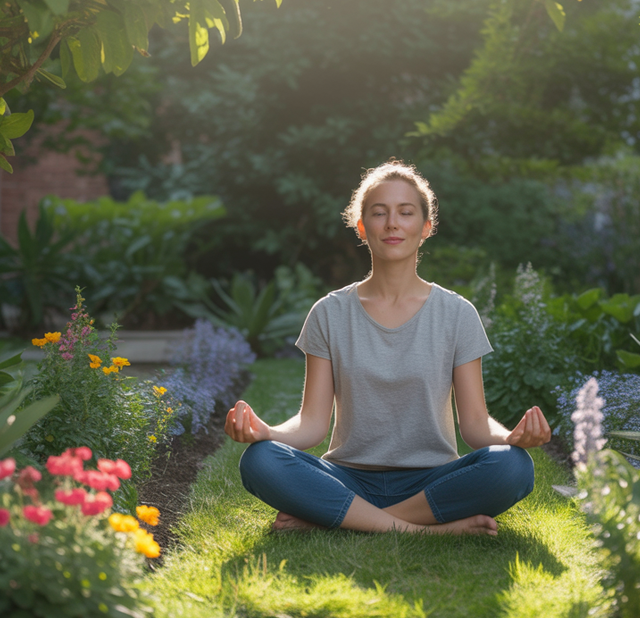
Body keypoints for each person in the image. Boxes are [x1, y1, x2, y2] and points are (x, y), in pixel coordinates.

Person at [224, 160, 551, 536]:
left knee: (513, 466)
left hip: (431, 481)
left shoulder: (457, 313)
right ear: (362, 227)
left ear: (426, 227)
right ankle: (425, 530)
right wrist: (268, 432)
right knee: (261, 460)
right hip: (348, 478)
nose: (392, 223)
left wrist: (509, 438)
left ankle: (339, 518)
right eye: (379, 213)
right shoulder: (329, 312)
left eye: (405, 213)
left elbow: (475, 424)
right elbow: (312, 424)